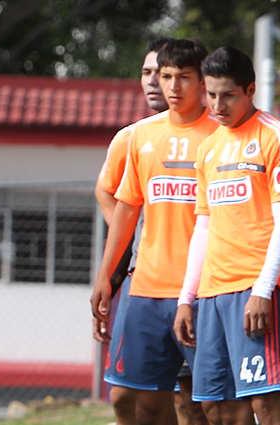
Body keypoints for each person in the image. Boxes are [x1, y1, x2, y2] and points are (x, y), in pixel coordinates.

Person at [92, 39, 220, 425]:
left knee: (213, 407)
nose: (172, 86)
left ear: (203, 81)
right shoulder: (139, 136)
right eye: (165, 76)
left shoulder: (223, 135)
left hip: (206, 291)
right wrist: (106, 276)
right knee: (138, 401)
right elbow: (125, 208)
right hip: (147, 289)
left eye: (184, 77)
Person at [174, 46, 280, 425]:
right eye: (211, 95)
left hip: (255, 289)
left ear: (250, 90)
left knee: (265, 403)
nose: (218, 105)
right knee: (218, 409)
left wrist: (263, 290)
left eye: (228, 95)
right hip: (212, 293)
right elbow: (204, 226)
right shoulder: (208, 147)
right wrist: (187, 298)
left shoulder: (277, 136)